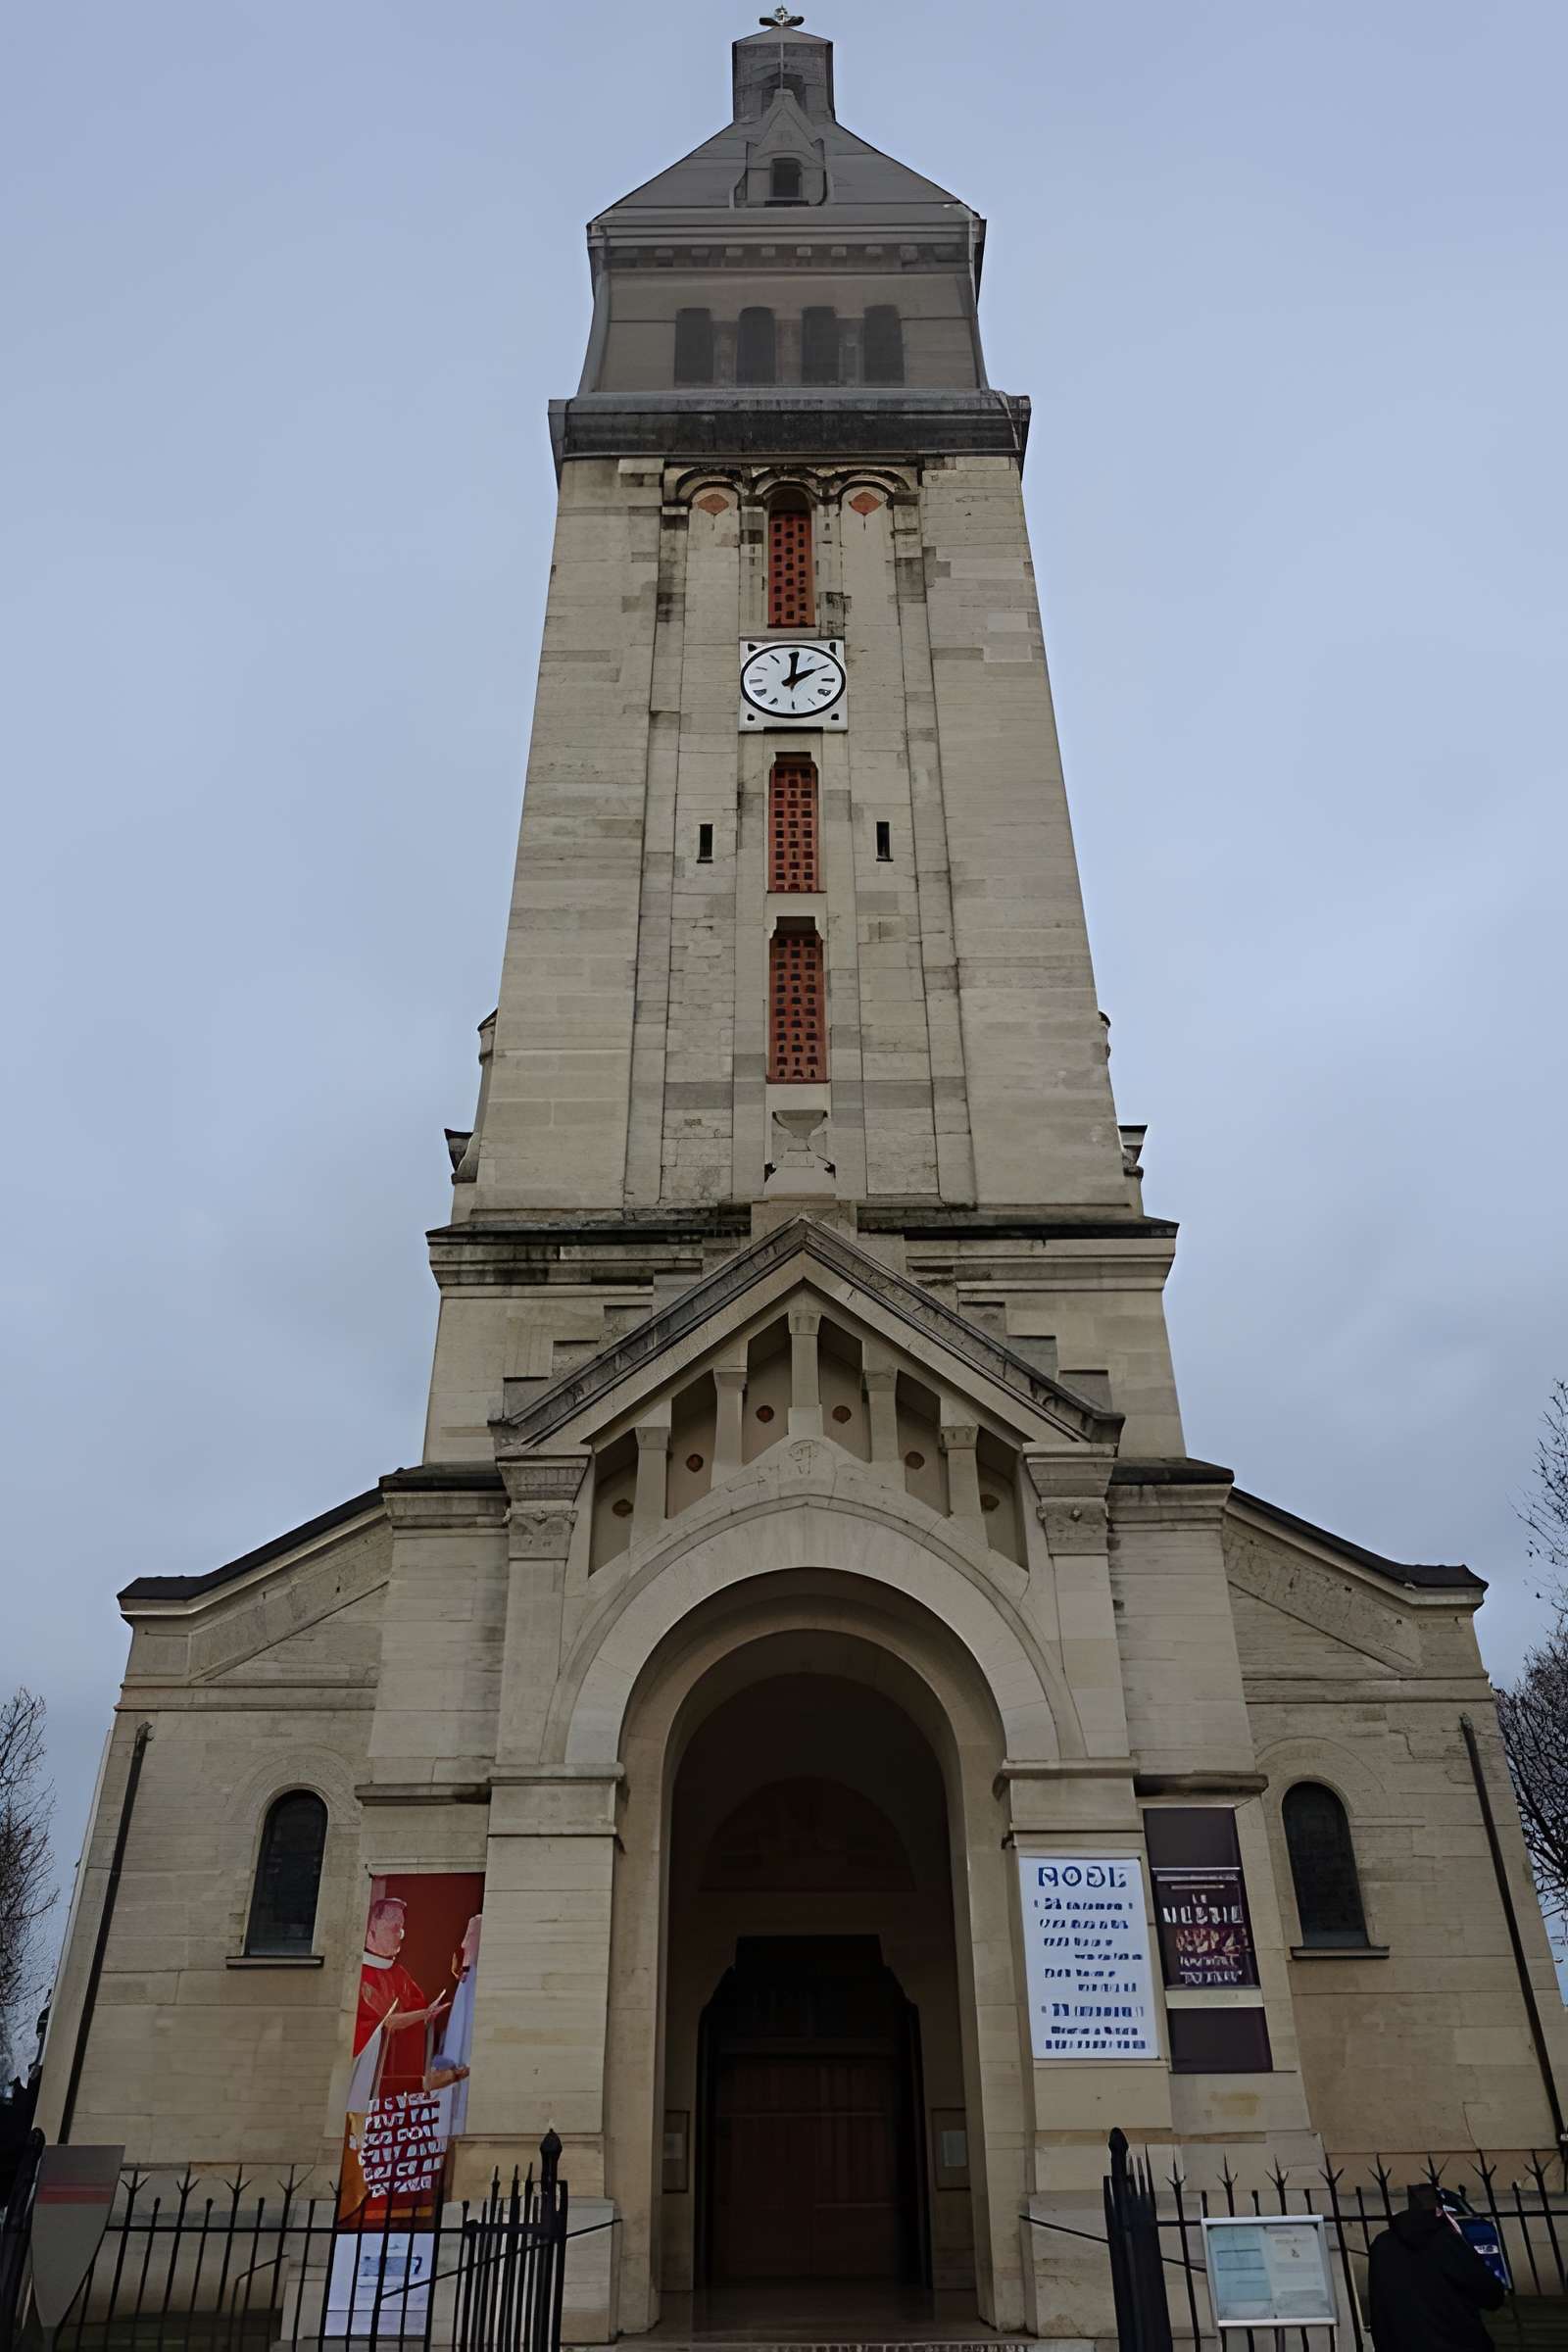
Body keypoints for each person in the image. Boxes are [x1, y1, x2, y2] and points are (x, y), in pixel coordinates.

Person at [1367, 2184, 1506, 2352]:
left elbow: (1378, 2304)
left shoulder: (1382, 2244)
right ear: (1440, 2211)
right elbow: (1490, 2293)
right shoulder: (1445, 2241)